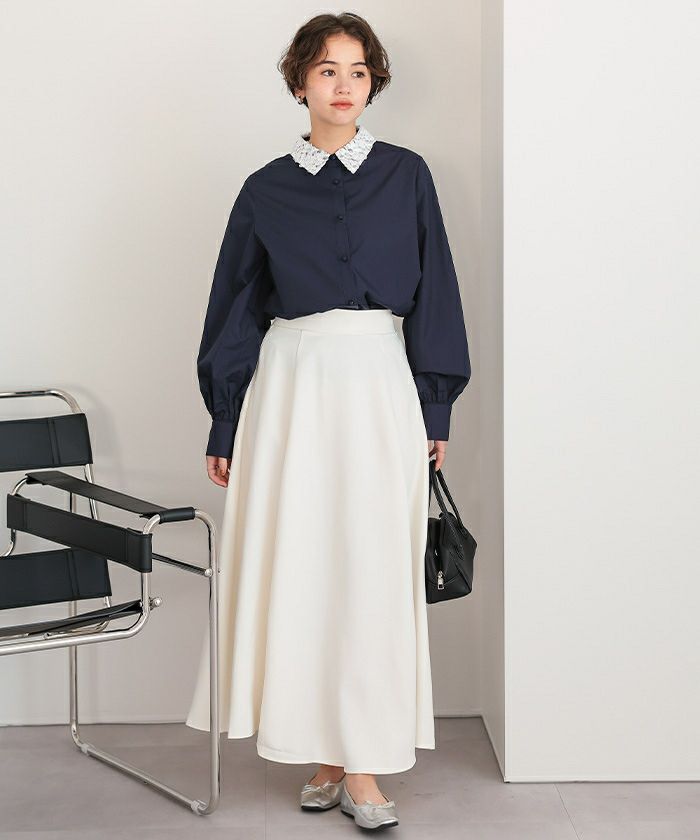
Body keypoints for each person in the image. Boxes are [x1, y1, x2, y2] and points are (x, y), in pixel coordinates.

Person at [185, 11, 471, 831]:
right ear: (299, 82)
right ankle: (326, 756)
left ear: (373, 82)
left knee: (372, 567)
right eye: (327, 70)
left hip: (379, 381)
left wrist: (435, 404)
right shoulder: (264, 189)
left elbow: (437, 292)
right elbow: (235, 309)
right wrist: (224, 422)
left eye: (358, 71)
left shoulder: (407, 175)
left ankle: (366, 765)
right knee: (305, 564)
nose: (344, 86)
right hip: (290, 388)